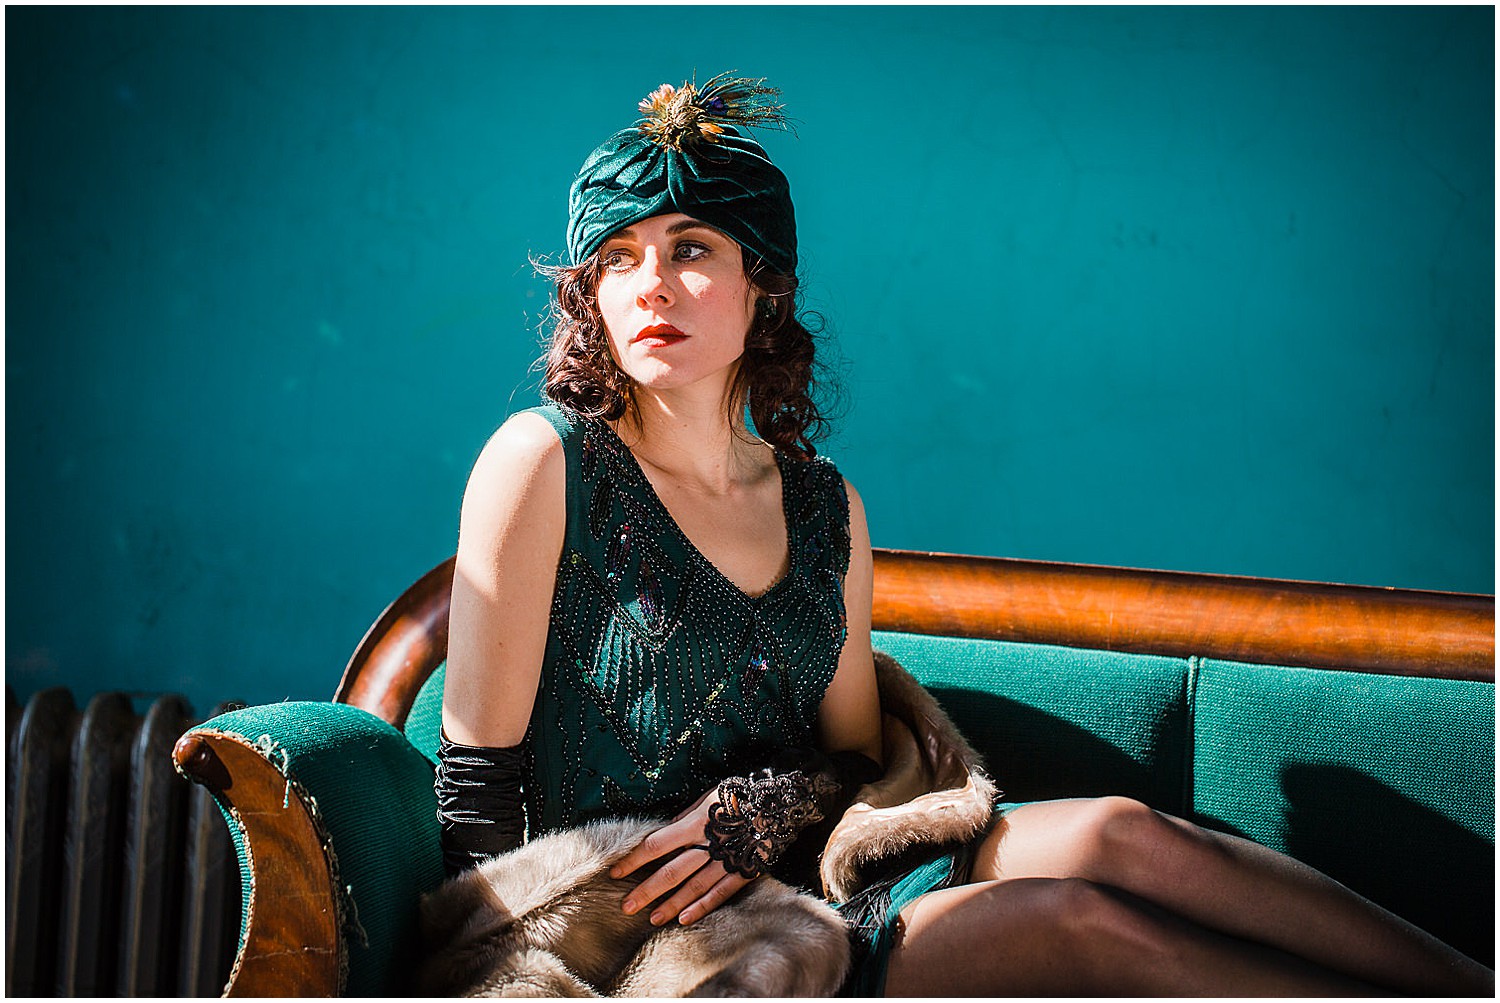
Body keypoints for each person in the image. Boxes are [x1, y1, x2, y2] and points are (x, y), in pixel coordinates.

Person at [435, 74, 1494, 996]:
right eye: (618, 258)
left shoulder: (821, 505)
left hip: (814, 855)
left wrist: (762, 808)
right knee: (1078, 920)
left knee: (1121, 833)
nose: (650, 284)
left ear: (765, 292)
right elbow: (474, 801)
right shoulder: (546, 464)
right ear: (590, 295)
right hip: (667, 941)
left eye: (691, 248)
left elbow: (854, 756)